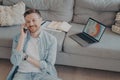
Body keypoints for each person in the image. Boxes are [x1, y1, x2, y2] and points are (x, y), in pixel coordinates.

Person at [7, 9, 61, 80]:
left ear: (41, 20)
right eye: (28, 22)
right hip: (22, 73)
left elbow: (49, 66)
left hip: (42, 73)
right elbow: (15, 61)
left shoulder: (51, 40)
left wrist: (26, 57)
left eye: (34, 20)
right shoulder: (18, 38)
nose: (31, 24)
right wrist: (22, 37)